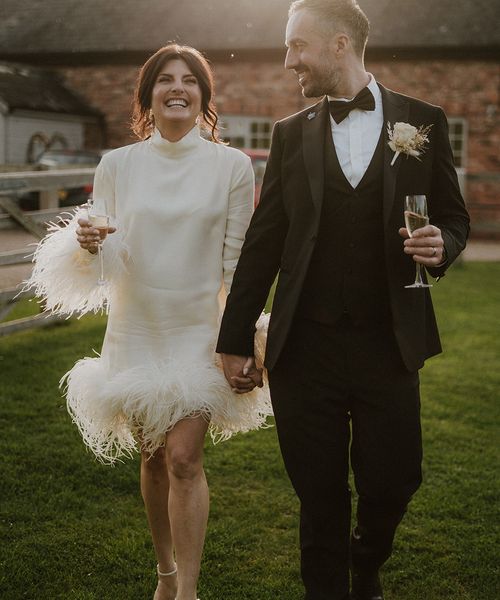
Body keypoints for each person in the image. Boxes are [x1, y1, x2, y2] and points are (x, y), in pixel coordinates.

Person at [216, 1, 470, 599]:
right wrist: (232, 340)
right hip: (305, 346)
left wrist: (445, 243)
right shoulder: (288, 136)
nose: (287, 61)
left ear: (337, 45)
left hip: (390, 341)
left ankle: (368, 558)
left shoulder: (422, 122)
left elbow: (454, 217)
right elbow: (262, 245)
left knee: (393, 482)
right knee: (318, 492)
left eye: (296, 47)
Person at [26, 44, 270, 600]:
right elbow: (102, 258)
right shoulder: (117, 165)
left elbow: (237, 262)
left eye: (190, 79)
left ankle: (187, 592)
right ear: (148, 95)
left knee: (184, 457)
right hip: (136, 330)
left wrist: (248, 335)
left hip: (197, 333)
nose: (177, 87)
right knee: (154, 455)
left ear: (205, 96)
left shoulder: (232, 167)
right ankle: (164, 575)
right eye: (165, 79)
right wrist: (84, 244)